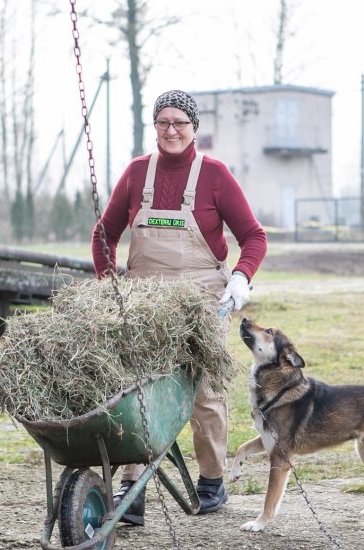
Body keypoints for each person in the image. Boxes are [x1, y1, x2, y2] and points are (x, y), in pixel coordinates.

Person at [91, 89, 267, 525]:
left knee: (203, 391)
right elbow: (104, 234)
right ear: (154, 126)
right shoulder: (136, 174)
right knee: (136, 391)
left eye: (180, 123)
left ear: (194, 128)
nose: (171, 130)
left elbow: (253, 236)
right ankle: (133, 488)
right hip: (144, 302)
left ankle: (211, 482)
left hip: (201, 301)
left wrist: (242, 276)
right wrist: (107, 282)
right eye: (163, 122)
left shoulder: (215, 175)